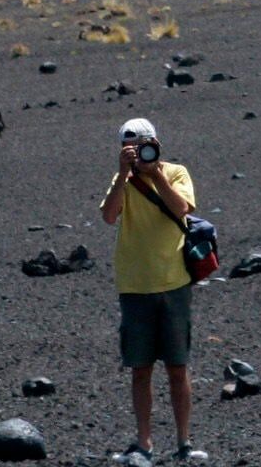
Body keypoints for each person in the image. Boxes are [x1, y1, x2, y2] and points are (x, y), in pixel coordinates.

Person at [97, 116, 207, 463]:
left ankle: (184, 441)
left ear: (157, 144)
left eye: (145, 146)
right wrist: (123, 175)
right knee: (140, 367)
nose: (139, 153)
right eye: (131, 147)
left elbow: (182, 208)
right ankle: (144, 441)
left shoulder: (175, 172)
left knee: (178, 365)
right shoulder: (123, 180)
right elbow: (109, 216)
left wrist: (156, 174)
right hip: (135, 285)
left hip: (174, 282)